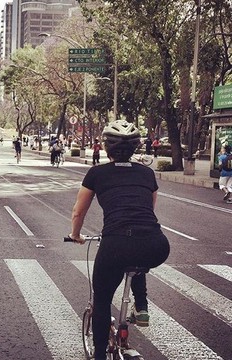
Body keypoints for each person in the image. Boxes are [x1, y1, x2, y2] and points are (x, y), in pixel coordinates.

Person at [68, 120, 170, 360]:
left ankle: (101, 355)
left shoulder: (97, 173)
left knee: (102, 300)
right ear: (135, 147)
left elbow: (78, 212)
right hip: (157, 245)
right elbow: (149, 210)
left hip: (115, 245)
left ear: (106, 147)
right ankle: (141, 306)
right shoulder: (147, 173)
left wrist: (75, 235)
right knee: (138, 254)